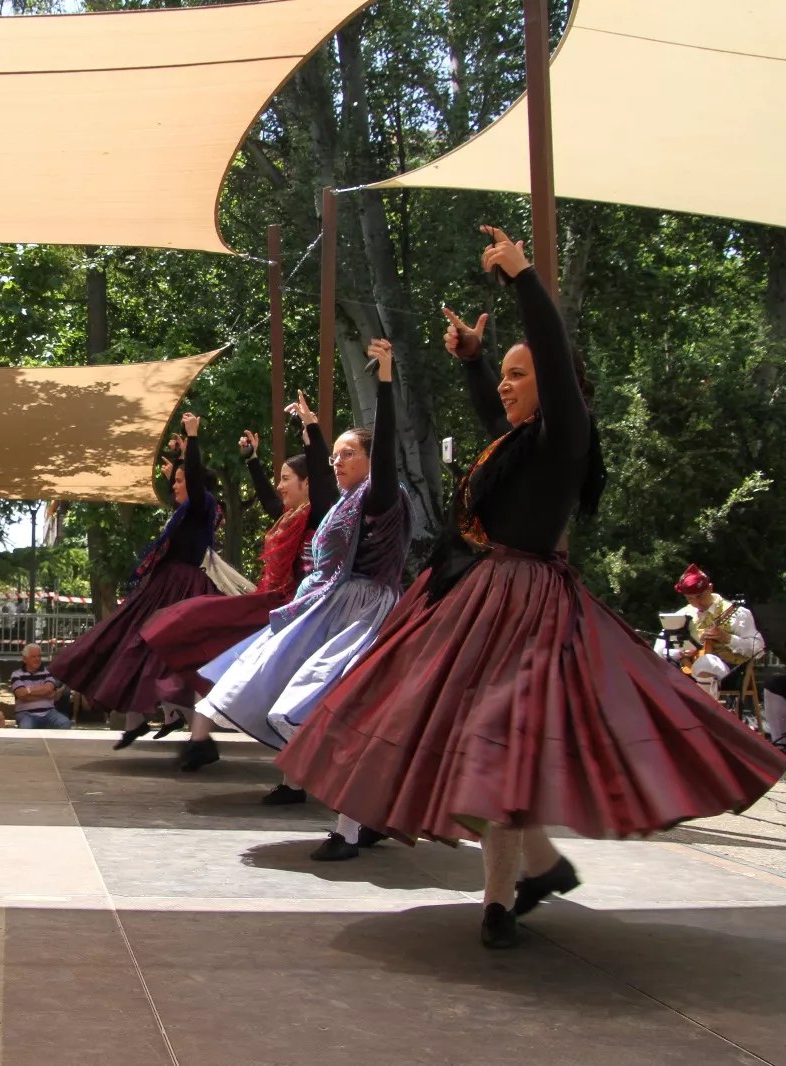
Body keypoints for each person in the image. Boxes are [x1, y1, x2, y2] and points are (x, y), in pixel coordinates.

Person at [276, 227, 786, 949]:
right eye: (508, 375)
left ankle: (507, 891)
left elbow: (549, 361)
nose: (510, 385)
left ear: (555, 386)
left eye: (522, 373)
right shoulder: (519, 445)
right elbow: (495, 415)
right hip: (479, 600)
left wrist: (522, 279)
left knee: (495, 746)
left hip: (527, 611)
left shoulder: (565, 438)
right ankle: (530, 873)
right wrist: (477, 363)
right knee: (476, 749)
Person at [192, 338, 410, 793]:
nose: (338, 461)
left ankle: (349, 807)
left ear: (374, 461)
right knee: (284, 694)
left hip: (367, 615)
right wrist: (311, 431)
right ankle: (330, 799)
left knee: (323, 704)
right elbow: (307, 492)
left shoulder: (381, 496)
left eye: (349, 453)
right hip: (326, 605)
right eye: (335, 456)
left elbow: (386, 443)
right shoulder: (342, 504)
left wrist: (386, 383)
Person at [140, 400, 337, 713]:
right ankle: (197, 728)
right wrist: (253, 461)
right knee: (207, 631)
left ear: (308, 482)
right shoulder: (290, 518)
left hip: (309, 609)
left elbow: (325, 481)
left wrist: (311, 430)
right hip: (283, 604)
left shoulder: (324, 515)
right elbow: (271, 500)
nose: (280, 485)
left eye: (286, 478)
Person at [51, 412, 223, 743]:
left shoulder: (204, 504)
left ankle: (183, 724)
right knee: (133, 644)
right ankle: (144, 719)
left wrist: (193, 439)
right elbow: (188, 480)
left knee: (167, 653)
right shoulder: (188, 511)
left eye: (178, 481)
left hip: (182, 589)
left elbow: (197, 481)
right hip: (163, 584)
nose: (173, 485)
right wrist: (177, 458)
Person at [656, 565, 765, 698]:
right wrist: (680, 652)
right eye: (690, 598)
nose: (696, 603)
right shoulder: (683, 614)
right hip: (687, 672)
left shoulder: (738, 613)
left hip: (729, 674)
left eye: (700, 596)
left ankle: (706, 715)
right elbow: (659, 649)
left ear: (710, 588)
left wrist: (728, 638)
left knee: (706, 663)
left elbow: (758, 648)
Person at [11, 644, 72, 729]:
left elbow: (49, 689)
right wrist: (45, 695)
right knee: (26, 728)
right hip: (26, 714)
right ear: (25, 659)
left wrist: (28, 691)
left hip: (49, 712)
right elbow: (21, 695)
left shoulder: (47, 673)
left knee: (65, 723)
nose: (37, 659)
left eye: (39, 656)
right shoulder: (16, 674)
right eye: (33, 656)